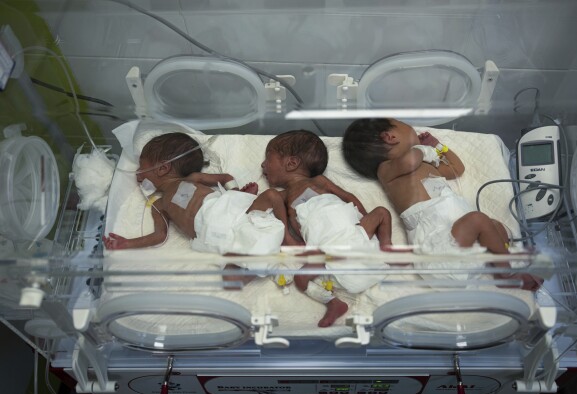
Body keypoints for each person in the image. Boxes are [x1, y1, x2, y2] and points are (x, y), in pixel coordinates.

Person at [342, 118, 541, 291]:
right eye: (404, 124)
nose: (413, 129)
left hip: (460, 244)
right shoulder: (386, 170)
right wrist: (424, 150)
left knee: (495, 225)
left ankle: (497, 264)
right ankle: (506, 273)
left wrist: (439, 146)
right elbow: (410, 162)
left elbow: (456, 169)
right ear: (390, 137)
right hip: (437, 251)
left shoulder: (425, 165)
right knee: (478, 220)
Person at [261, 129, 392, 327]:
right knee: (300, 279)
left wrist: (362, 218)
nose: (262, 165)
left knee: (381, 212)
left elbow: (348, 197)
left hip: (352, 233)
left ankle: (387, 247)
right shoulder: (281, 197)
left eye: (267, 159)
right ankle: (333, 303)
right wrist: (298, 247)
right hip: (327, 251)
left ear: (291, 163)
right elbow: (284, 229)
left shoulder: (319, 181)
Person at [103, 133, 300, 260]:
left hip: (229, 210)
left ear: (162, 168)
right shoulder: (159, 204)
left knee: (274, 195)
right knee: (245, 253)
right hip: (212, 235)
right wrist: (127, 243)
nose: (137, 174)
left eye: (141, 168)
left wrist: (234, 192)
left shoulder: (192, 179)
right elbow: (159, 236)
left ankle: (287, 236)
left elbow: (225, 177)